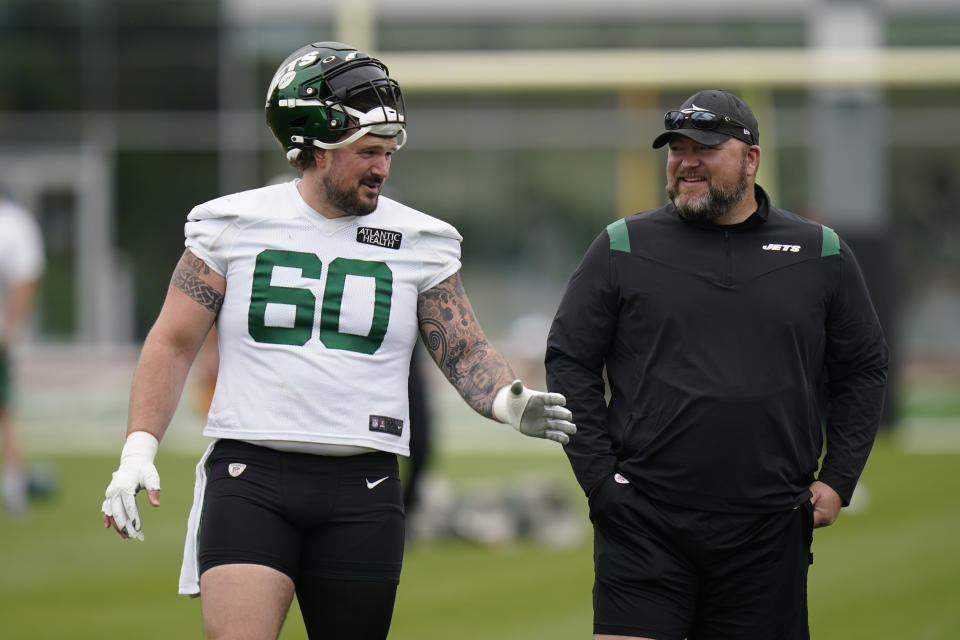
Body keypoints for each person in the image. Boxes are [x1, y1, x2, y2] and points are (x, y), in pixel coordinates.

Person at [100, 41, 575, 640]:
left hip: (365, 483)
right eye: (368, 152)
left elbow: (462, 347)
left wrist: (509, 401)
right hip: (251, 472)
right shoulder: (232, 223)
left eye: (389, 152)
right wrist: (137, 450)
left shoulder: (419, 239)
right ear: (317, 150)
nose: (383, 167)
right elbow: (172, 341)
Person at [545, 89, 888, 640]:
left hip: (768, 528)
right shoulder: (622, 244)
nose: (686, 162)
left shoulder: (820, 252)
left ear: (751, 158)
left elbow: (863, 369)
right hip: (643, 520)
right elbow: (569, 361)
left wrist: (840, 478)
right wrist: (600, 483)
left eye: (704, 147)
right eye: (676, 149)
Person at [0, 194, 44, 517]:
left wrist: (10, 328)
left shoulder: (12, 223)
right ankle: (14, 488)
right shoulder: (15, 223)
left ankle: (14, 488)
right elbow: (25, 278)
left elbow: (23, 279)